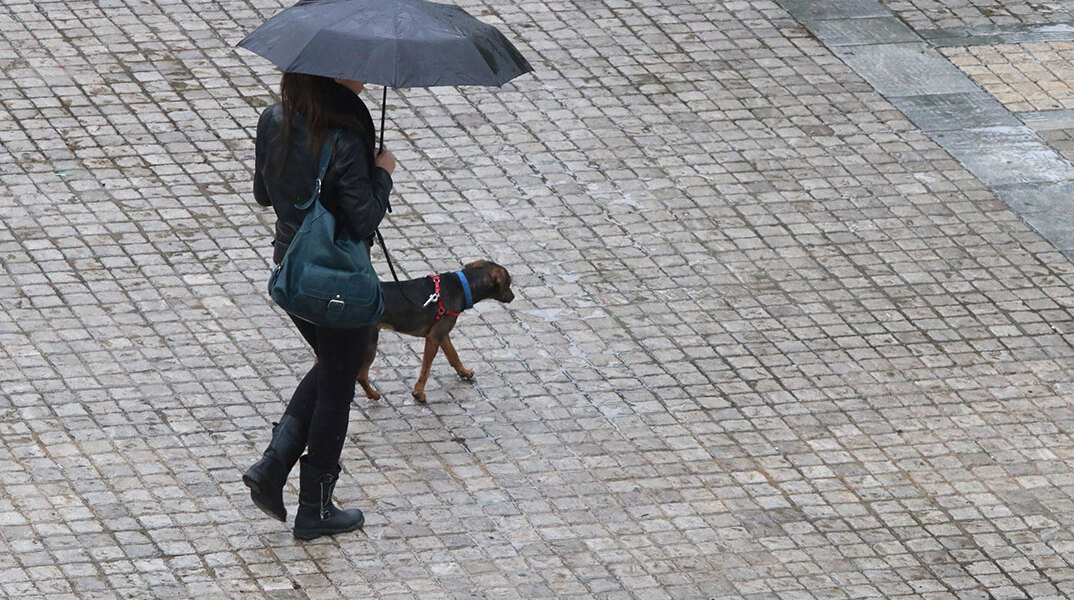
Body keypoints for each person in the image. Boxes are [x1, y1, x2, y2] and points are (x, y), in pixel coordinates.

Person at [243, 73, 396, 540]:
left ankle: (273, 468)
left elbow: (263, 195)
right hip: (336, 282)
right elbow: (363, 218)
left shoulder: (274, 119)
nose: (365, 70)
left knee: (335, 365)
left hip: (292, 271)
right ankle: (315, 507)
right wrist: (382, 173)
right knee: (337, 381)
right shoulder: (346, 136)